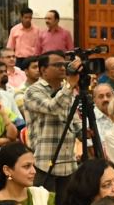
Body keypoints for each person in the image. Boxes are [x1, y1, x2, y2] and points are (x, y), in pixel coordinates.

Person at [21, 54, 83, 190]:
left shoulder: (66, 90)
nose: (63, 68)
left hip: (68, 162)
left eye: (64, 65)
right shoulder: (33, 91)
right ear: (43, 70)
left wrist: (84, 132)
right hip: (44, 162)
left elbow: (74, 118)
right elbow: (53, 108)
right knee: (45, 203)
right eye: (57, 65)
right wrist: (69, 86)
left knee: (67, 203)